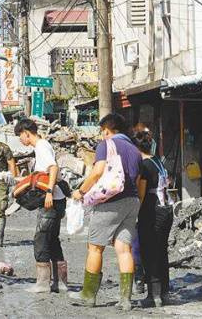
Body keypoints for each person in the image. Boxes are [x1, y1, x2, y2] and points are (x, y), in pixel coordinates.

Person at [70, 113, 142, 310]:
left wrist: (81, 191)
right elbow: (136, 181)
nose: (102, 135)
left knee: (95, 247)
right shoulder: (135, 151)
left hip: (111, 201)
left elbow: (98, 171)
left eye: (102, 131)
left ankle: (88, 295)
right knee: (124, 249)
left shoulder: (107, 144)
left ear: (107, 130)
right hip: (132, 201)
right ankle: (125, 299)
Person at [14, 118, 68, 294]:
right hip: (56, 199)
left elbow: (53, 168)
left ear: (26, 133)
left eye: (20, 136)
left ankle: (43, 283)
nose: (21, 140)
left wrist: (49, 192)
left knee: (41, 238)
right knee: (52, 239)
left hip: (50, 201)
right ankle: (60, 283)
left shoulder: (42, 146)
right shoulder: (43, 147)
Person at [133, 130, 173, 307]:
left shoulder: (144, 165)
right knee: (161, 250)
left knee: (149, 252)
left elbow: (141, 194)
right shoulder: (159, 162)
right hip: (166, 209)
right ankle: (163, 292)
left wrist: (134, 213)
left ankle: (153, 295)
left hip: (151, 210)